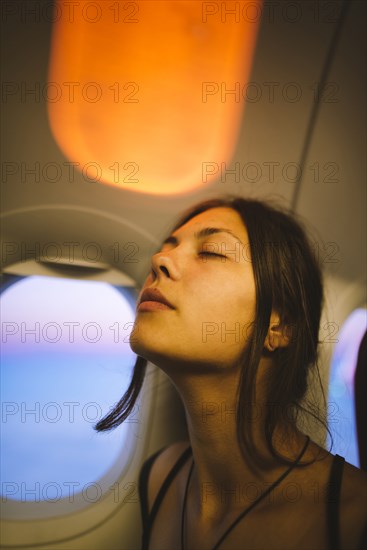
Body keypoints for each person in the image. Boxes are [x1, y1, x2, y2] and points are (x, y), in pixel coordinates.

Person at [95, 196, 367, 550]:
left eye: (211, 252)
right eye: (166, 247)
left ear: (278, 325)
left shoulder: (352, 517)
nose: (159, 260)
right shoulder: (159, 479)